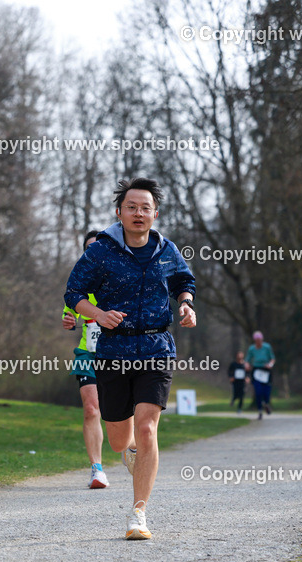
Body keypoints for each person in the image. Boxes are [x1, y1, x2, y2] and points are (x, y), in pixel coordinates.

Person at [65, 177, 196, 541]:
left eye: (146, 208)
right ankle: (129, 452)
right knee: (120, 438)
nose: (139, 213)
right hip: (113, 351)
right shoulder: (101, 251)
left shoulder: (166, 250)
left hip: (156, 348)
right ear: (119, 212)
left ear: (155, 213)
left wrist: (185, 304)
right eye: (132, 207)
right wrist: (98, 313)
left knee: (147, 426)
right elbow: (74, 291)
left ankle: (139, 513)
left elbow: (185, 281)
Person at [62, 230, 135, 489]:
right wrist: (69, 321)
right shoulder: (79, 284)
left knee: (124, 408)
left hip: (118, 353)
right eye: (88, 249)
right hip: (87, 354)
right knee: (92, 408)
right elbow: (69, 316)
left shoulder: (119, 279)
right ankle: (97, 469)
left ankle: (130, 447)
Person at [245, 331, 275, 419]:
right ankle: (260, 411)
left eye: (260, 340)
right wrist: (247, 365)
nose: (258, 342)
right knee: (258, 391)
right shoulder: (252, 349)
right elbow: (248, 359)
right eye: (257, 340)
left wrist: (270, 365)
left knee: (266, 391)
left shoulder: (267, 347)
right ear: (255, 340)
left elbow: (272, 358)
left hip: (266, 370)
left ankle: (266, 403)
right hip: (256, 370)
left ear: (262, 339)